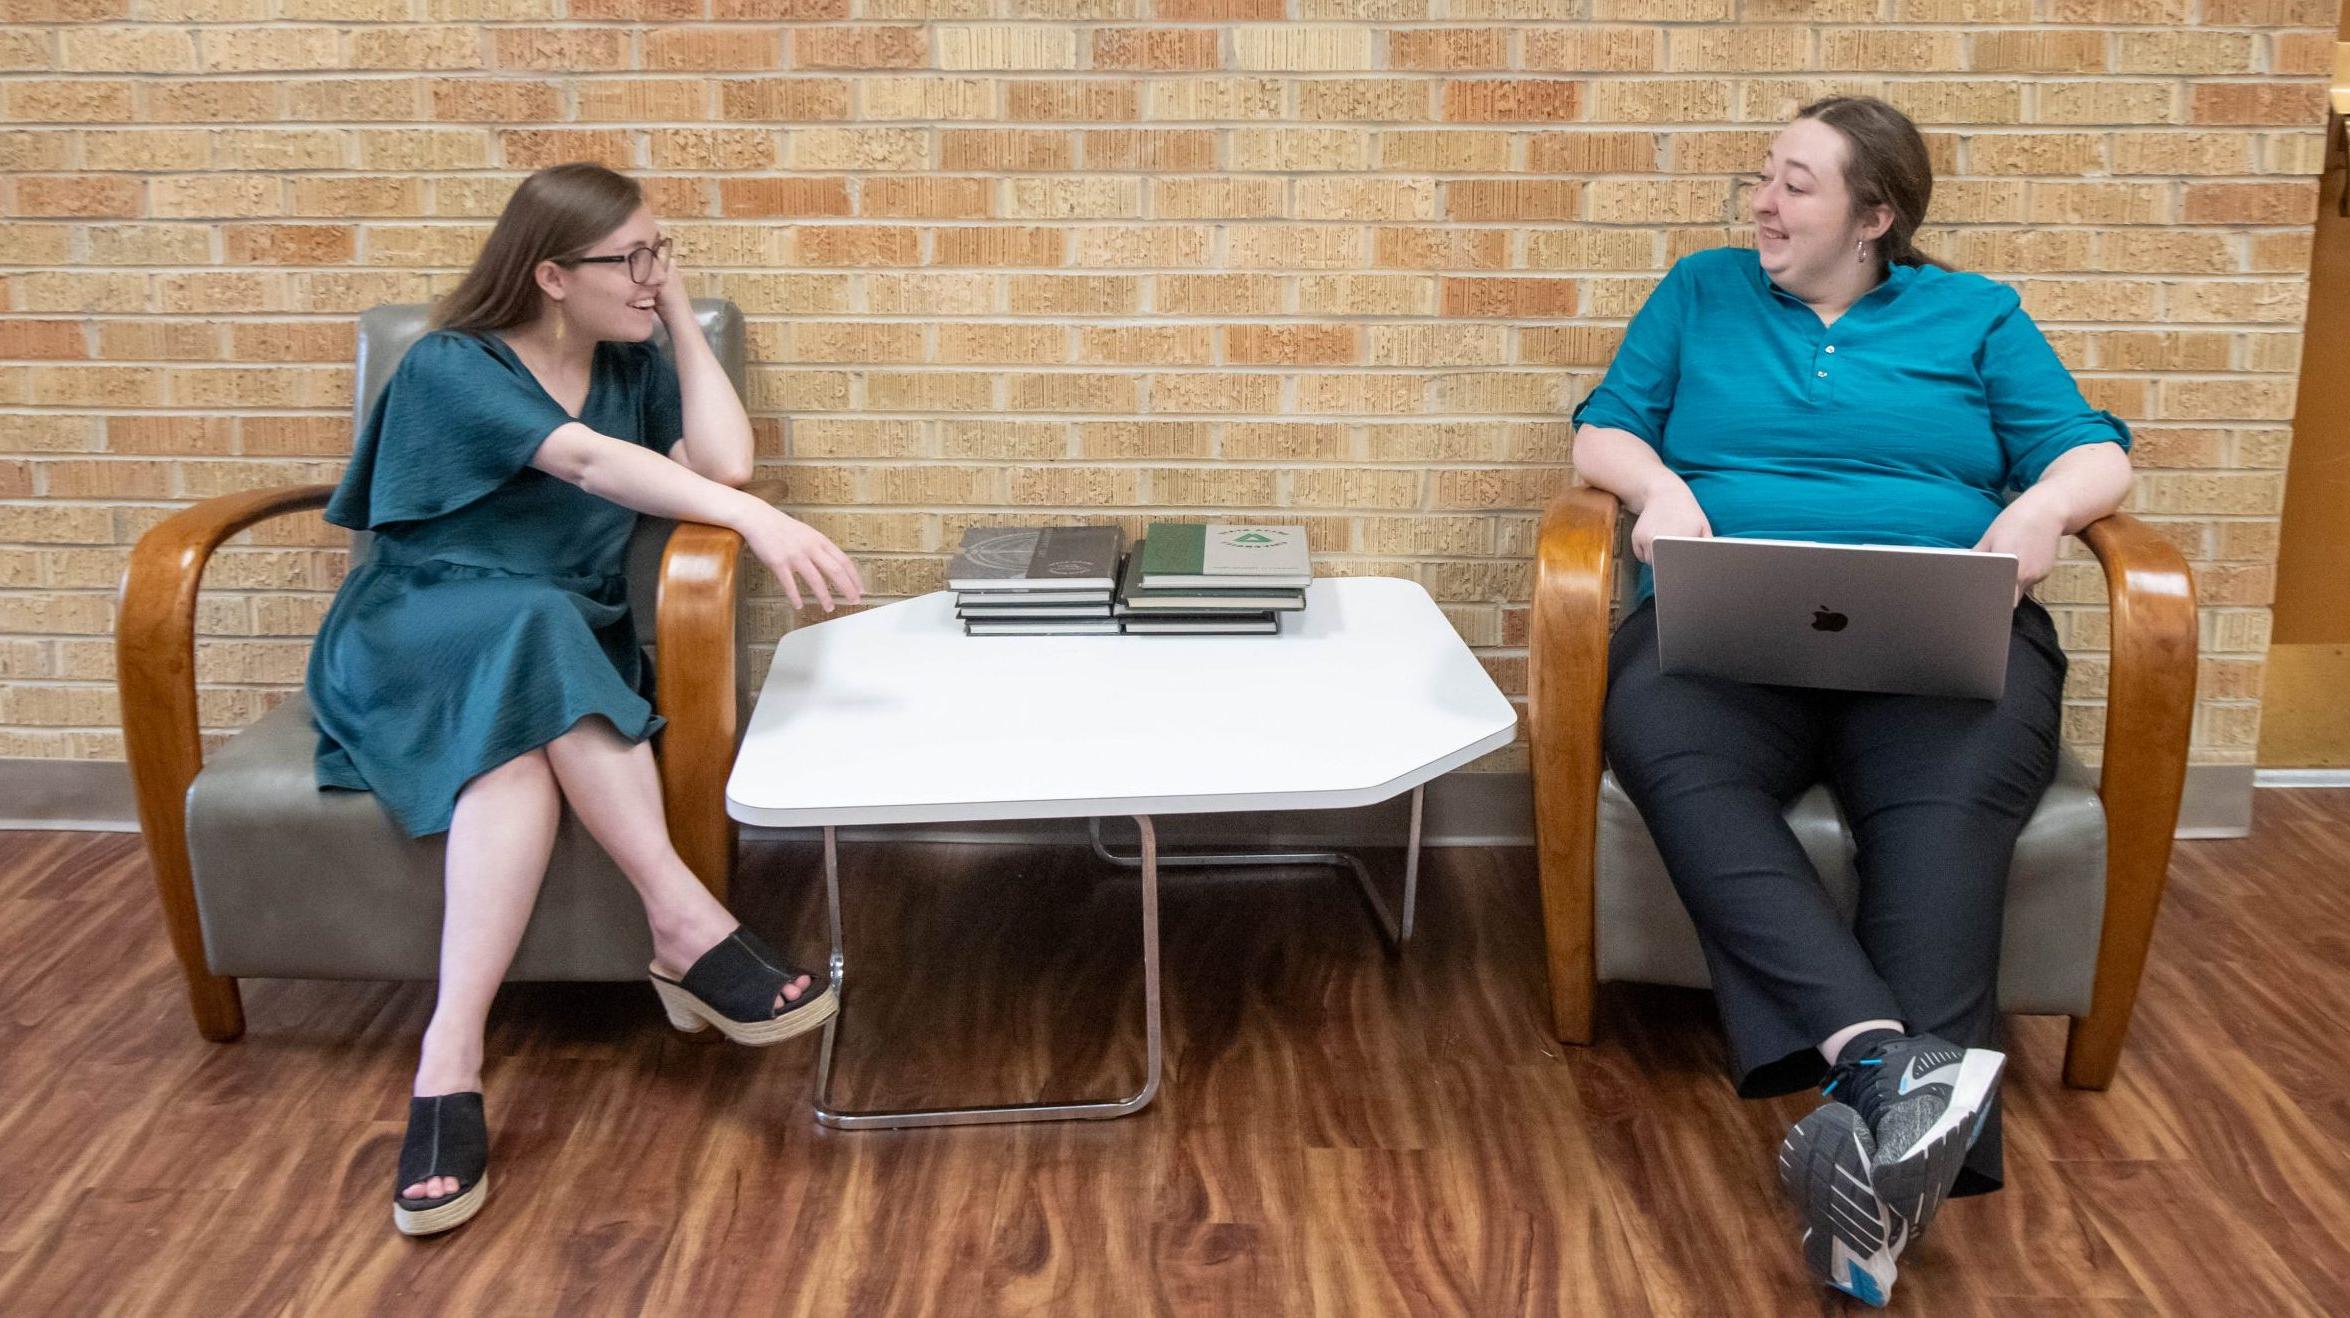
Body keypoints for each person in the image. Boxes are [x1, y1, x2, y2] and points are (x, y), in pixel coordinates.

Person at [1569, 97, 2133, 1306]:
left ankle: (1873, 1167)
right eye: (1763, 178)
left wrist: (2039, 512)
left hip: (1933, 632)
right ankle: (1884, 1066)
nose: (1762, 204)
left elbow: (2093, 452)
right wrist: (1659, 488)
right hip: (1727, 633)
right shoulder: (1702, 291)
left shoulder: (1975, 313)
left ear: (1875, 217)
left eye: (1795, 185)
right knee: (1675, 751)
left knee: (1939, 823)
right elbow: (1603, 429)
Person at [305, 163, 866, 1237]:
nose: (653, 274)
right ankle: (682, 919)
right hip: (419, 628)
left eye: (663, 250)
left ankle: (448, 1060)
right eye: (632, 259)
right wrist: (756, 527)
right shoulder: (449, 364)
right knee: (533, 626)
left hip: (547, 638)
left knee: (519, 731)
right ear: (552, 273)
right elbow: (587, 464)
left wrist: (680, 323)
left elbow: (726, 458)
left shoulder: (628, 364)